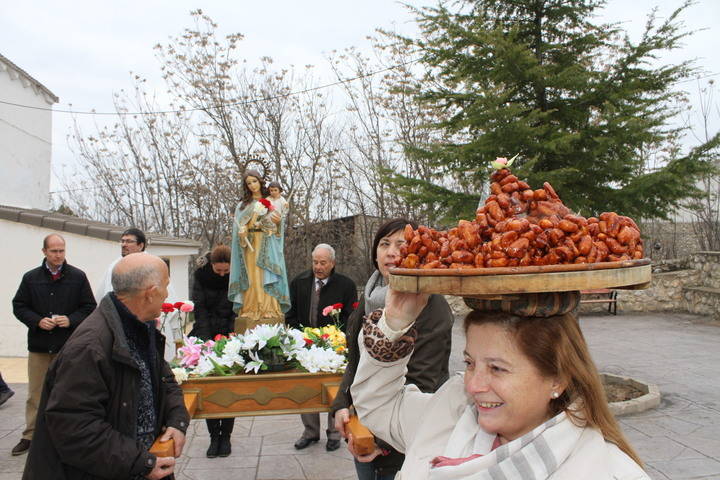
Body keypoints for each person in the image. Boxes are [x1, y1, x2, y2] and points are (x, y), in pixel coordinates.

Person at [350, 290, 650, 479]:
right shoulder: (449, 414)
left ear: (558, 378)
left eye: (497, 368)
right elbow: (378, 406)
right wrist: (394, 322)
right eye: (470, 363)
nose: (474, 385)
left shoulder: (606, 470)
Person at [22, 253, 190, 480]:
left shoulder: (140, 326)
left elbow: (165, 379)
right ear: (150, 294)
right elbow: (74, 428)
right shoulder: (90, 347)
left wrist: (177, 420)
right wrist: (139, 462)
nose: (168, 295)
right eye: (166, 286)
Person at [332, 218, 453, 480]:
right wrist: (342, 404)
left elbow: (423, 379)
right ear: (375, 254)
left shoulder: (430, 303)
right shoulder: (369, 299)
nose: (391, 252)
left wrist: (381, 442)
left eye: (401, 244)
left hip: (403, 433)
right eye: (384, 244)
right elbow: (355, 360)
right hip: (364, 425)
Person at [11, 233, 96, 456]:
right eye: (54, 251)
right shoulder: (31, 278)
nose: (58, 255)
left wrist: (71, 320)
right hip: (39, 346)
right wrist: (37, 321)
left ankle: (68, 435)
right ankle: (30, 435)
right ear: (44, 252)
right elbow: (19, 306)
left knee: (69, 392)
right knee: (35, 394)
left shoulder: (78, 277)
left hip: (68, 347)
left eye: (62, 251)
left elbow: (89, 307)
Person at [286, 243, 358, 452]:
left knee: (333, 388)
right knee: (305, 388)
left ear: (332, 263)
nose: (318, 266)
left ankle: (334, 433)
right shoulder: (299, 282)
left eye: (323, 262)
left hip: (333, 345)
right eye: (315, 262)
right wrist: (298, 336)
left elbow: (350, 316)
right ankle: (310, 432)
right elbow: (290, 313)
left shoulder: (346, 285)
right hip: (305, 343)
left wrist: (337, 337)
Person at [190, 245, 236, 458]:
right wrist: (207, 340)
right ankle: (213, 437)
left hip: (229, 335)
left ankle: (225, 436)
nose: (222, 274)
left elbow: (238, 308)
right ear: (211, 265)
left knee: (227, 388)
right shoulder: (200, 276)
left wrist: (230, 336)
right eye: (218, 271)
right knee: (210, 387)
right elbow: (199, 308)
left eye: (226, 271)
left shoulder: (235, 276)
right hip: (205, 333)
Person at [229, 170, 290, 332]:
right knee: (252, 278)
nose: (252, 186)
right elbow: (237, 234)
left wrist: (278, 224)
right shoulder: (242, 206)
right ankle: (251, 308)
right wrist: (242, 234)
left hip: (267, 245)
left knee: (266, 275)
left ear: (260, 182)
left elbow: (278, 231)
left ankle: (269, 309)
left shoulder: (270, 201)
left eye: (254, 181)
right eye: (249, 183)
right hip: (250, 248)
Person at [97, 227, 148, 302]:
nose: (123, 244)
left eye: (129, 241)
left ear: (140, 246)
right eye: (122, 241)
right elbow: (103, 293)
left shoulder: (151, 265)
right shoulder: (114, 265)